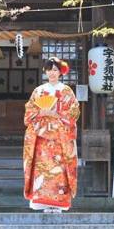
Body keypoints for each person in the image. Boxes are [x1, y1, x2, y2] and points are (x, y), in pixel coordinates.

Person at [23, 57, 80, 212]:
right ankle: (42, 202)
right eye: (49, 70)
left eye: (55, 70)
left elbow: (74, 113)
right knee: (42, 171)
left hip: (60, 139)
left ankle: (59, 203)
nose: (52, 73)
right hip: (42, 139)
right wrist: (41, 112)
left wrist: (57, 114)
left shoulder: (66, 91)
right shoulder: (39, 91)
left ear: (60, 72)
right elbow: (29, 114)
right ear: (45, 72)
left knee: (60, 171)